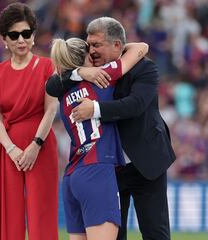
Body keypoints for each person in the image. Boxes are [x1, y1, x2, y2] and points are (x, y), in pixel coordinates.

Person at [64, 17, 176, 240]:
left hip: (147, 163)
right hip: (111, 168)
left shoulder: (145, 68)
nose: (91, 51)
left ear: (117, 46)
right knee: (115, 235)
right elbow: (53, 84)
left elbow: (136, 105)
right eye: (89, 45)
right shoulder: (89, 73)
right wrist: (79, 73)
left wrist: (95, 109)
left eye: (97, 45)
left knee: (156, 232)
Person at [46, 37, 148, 240]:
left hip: (72, 176)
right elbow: (141, 47)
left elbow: (52, 84)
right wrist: (107, 51)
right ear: (87, 56)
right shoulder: (103, 76)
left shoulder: (63, 93)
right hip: (97, 171)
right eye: (91, 50)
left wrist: (78, 72)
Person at [0, 2, 58, 240]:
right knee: (9, 215)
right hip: (8, 150)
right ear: (4, 39)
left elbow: (51, 109)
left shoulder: (47, 66)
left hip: (41, 146)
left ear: (33, 36)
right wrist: (11, 148)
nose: (21, 40)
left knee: (42, 214)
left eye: (26, 33)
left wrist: (35, 145)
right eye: (14, 35)